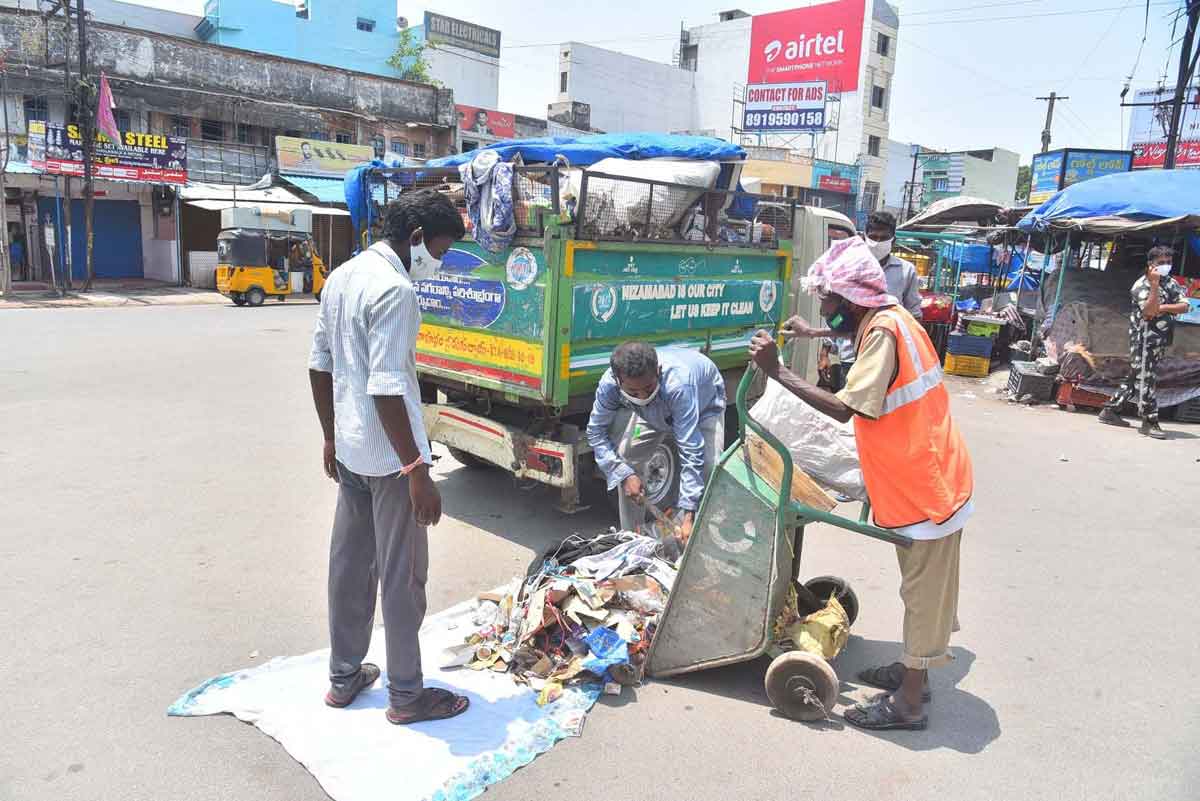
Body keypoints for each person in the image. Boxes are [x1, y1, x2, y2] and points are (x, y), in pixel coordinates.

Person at [749, 236, 973, 732]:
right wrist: (812, 335)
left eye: (828, 304)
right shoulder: (889, 318)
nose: (825, 310)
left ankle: (909, 702)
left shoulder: (884, 333)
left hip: (926, 487)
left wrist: (778, 371)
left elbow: (845, 407)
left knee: (923, 598)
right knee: (920, 593)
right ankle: (915, 672)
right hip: (919, 474)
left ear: (851, 300)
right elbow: (867, 354)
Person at [308, 189, 470, 725]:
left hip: (352, 449)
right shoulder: (396, 290)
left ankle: (343, 675)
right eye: (441, 251)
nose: (439, 262)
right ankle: (406, 695)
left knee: (349, 566)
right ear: (418, 237)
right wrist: (416, 470)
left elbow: (319, 364)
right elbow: (385, 387)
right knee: (402, 578)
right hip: (388, 457)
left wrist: (331, 436)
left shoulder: (343, 275)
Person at [586, 343, 726, 542]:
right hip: (655, 412)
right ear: (618, 380)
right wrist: (624, 475)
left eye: (649, 388)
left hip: (703, 405)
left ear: (658, 371)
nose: (643, 397)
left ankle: (696, 536)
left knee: (709, 467)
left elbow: (691, 450)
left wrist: (689, 513)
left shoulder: (679, 385)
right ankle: (631, 540)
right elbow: (596, 432)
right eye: (633, 393)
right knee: (627, 460)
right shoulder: (609, 386)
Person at [820, 211, 923, 392]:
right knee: (850, 411)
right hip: (850, 356)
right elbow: (835, 314)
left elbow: (914, 316)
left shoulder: (906, 272)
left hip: (887, 357)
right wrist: (824, 352)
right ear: (864, 237)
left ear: (893, 240)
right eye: (873, 236)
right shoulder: (849, 268)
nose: (877, 241)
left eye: (884, 237)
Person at [1098, 245, 1190, 439]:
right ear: (1151, 265)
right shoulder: (1142, 285)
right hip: (1143, 339)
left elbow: (1184, 306)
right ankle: (1150, 421)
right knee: (1146, 378)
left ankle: (1111, 410)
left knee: (1136, 374)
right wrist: (1155, 286)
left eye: (1168, 262)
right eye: (1161, 263)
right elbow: (1148, 311)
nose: (1166, 266)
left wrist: (1163, 307)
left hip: (1160, 340)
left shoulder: (1171, 283)